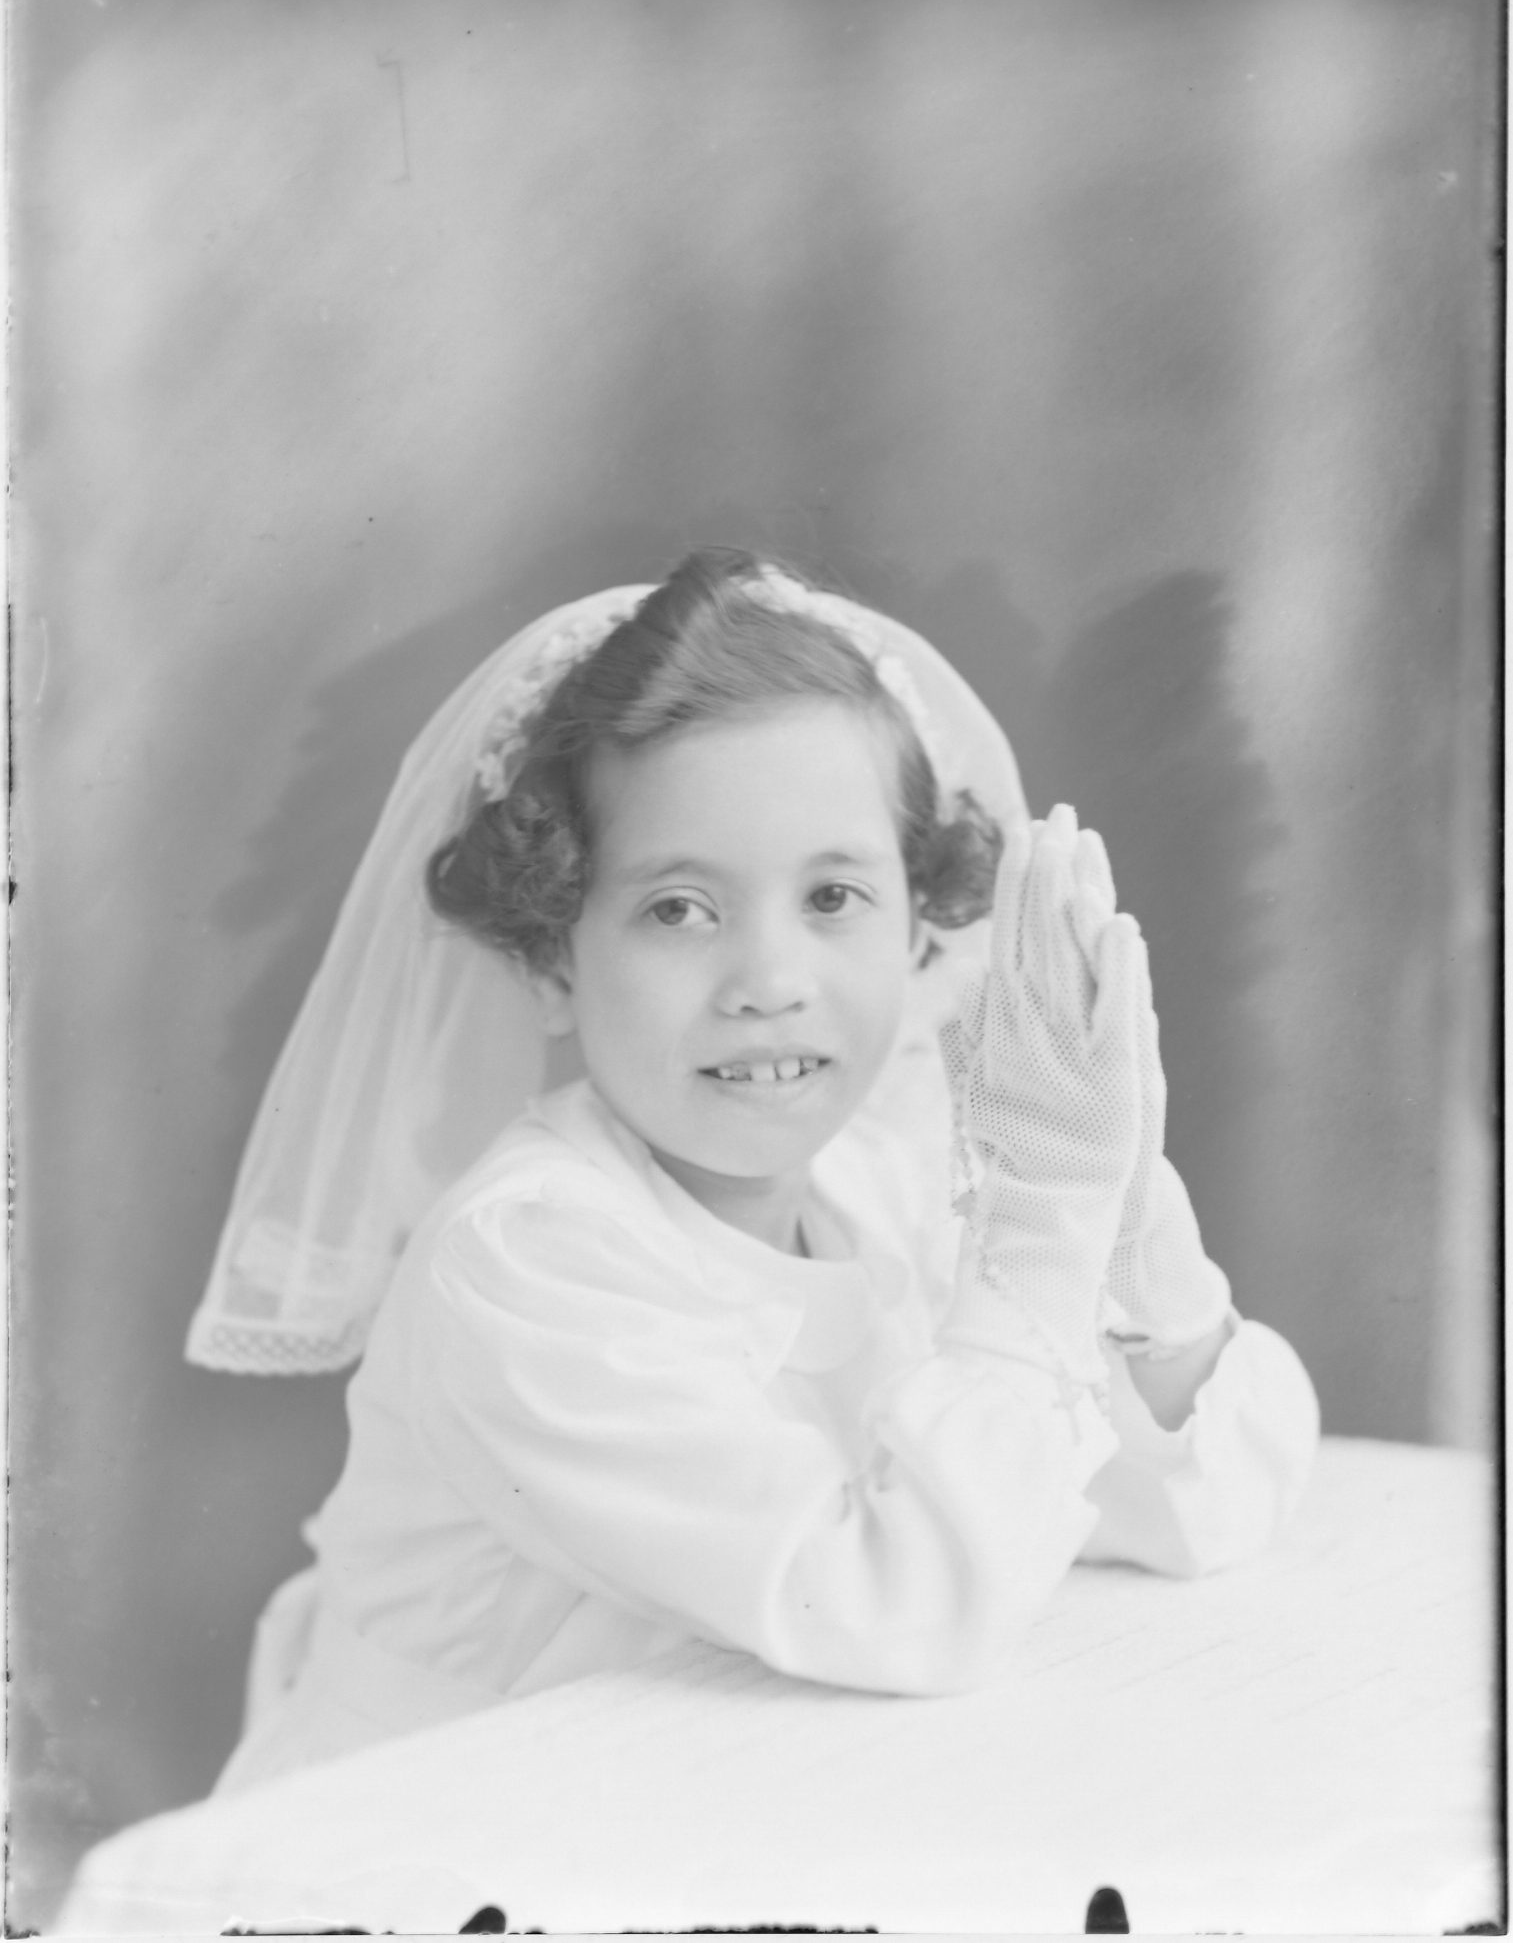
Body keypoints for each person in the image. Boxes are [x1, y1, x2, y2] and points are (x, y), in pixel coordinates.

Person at [186, 548, 1319, 1796]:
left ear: (918, 929)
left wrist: (1122, 1210)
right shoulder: (526, 1259)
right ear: (552, 957)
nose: (769, 981)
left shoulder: (886, 1180)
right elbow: (908, 1603)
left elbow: (1209, 1505)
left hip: (728, 1794)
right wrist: (1040, 1223)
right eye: (678, 908)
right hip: (455, 1827)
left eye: (833, 895)